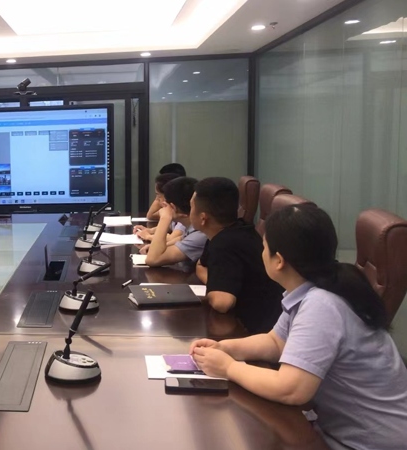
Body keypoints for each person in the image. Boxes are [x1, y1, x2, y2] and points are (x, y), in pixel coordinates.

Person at [191, 204, 407, 450]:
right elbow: (275, 342)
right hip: (341, 432)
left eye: (264, 247)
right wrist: (224, 348)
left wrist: (229, 368)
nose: (261, 252)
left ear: (279, 261)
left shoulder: (322, 304)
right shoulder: (317, 289)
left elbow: (291, 389)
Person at [190, 177, 283, 333]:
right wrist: (216, 284)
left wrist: (216, 288)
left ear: (203, 218)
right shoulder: (237, 229)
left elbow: (222, 303)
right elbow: (201, 266)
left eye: (191, 207)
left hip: (255, 329)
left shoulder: (224, 244)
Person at [143, 177, 207, 267]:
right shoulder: (191, 228)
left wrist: (165, 218)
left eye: (165, 204)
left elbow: (152, 260)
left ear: (173, 207)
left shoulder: (200, 234)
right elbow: (180, 239)